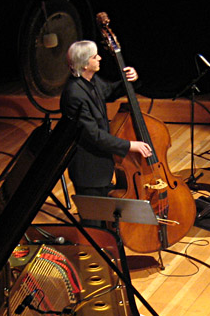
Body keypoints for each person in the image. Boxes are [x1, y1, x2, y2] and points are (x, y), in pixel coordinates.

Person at [60, 40, 152, 223]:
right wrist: (129, 145)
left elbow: (110, 91)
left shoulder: (91, 81)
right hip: (88, 168)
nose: (100, 58)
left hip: (100, 164)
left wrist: (129, 80)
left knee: (104, 218)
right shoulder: (74, 94)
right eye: (95, 57)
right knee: (93, 223)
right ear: (85, 64)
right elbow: (93, 135)